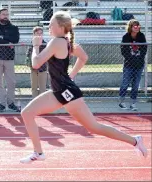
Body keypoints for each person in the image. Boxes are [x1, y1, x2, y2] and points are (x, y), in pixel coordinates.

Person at [20, 11, 147, 163]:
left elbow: (35, 63)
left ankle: (135, 140)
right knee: (27, 113)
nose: (49, 26)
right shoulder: (65, 42)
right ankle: (38, 152)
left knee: (95, 127)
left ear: (60, 27)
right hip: (60, 91)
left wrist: (35, 46)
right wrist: (71, 76)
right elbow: (84, 57)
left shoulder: (56, 42)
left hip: (66, 93)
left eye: (51, 24)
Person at [0, 8, 20, 112]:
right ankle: (2, 103)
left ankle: (11, 103)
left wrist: (2, 37)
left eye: (7, 14)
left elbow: (15, 39)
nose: (5, 16)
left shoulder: (14, 28)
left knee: (11, 82)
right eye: (3, 14)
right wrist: (7, 41)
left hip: (9, 58)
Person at [119, 19, 147, 111]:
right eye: (135, 26)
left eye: (138, 26)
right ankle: (122, 102)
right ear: (131, 27)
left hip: (139, 65)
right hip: (129, 64)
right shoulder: (126, 37)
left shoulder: (141, 36)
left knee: (135, 85)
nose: (137, 27)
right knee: (125, 83)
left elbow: (144, 50)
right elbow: (124, 51)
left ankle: (133, 103)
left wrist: (138, 59)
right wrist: (132, 59)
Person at [27, 27, 48, 99]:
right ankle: (34, 100)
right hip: (33, 69)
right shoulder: (31, 44)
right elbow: (28, 55)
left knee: (42, 87)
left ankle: (42, 101)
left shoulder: (45, 44)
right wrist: (31, 65)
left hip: (43, 68)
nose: (39, 35)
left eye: (40, 33)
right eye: (37, 33)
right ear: (33, 35)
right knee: (34, 86)